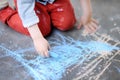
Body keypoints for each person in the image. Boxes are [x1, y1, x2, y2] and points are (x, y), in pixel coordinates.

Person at [0, 0, 98, 57]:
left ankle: (45, 14)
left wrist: (87, 13)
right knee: (43, 30)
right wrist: (37, 37)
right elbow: (25, 6)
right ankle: (4, 11)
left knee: (67, 23)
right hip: (29, 3)